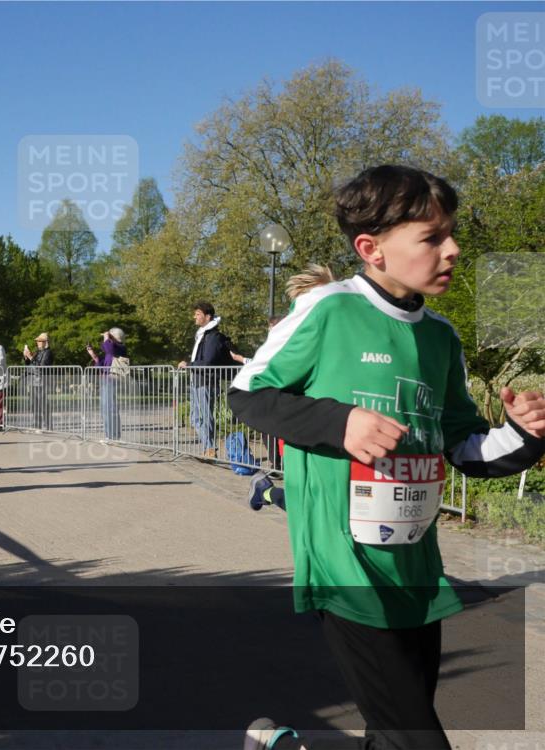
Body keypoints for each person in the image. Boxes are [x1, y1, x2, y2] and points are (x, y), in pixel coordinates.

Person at [228, 165, 545, 750]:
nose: (451, 251)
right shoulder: (329, 309)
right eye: (431, 238)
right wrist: (339, 421)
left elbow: (464, 446)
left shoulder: (441, 338)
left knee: (392, 731)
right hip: (346, 564)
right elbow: (247, 393)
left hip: (416, 567)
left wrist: (524, 433)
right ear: (371, 249)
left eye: (451, 235)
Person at [248, 265, 336, 508]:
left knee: (326, 504)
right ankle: (266, 492)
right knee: (310, 503)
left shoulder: (342, 332)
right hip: (301, 436)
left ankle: (264, 491)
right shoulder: (289, 339)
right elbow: (253, 390)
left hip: (337, 436)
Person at [177, 302, 237, 458]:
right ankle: (209, 448)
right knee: (195, 417)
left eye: (198, 314)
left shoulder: (213, 337)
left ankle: (210, 449)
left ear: (207, 316)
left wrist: (189, 365)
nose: (194, 317)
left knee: (205, 415)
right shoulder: (203, 335)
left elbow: (209, 362)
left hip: (206, 381)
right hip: (196, 380)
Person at [87, 328, 127, 440]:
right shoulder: (112, 351)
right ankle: (109, 435)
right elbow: (102, 364)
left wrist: (106, 336)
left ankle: (113, 436)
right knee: (105, 408)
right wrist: (93, 355)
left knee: (110, 408)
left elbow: (108, 348)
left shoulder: (120, 348)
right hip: (105, 380)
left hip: (112, 380)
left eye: (110, 337)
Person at [23, 332, 54, 431]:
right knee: (34, 404)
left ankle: (48, 426)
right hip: (33, 381)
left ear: (46, 342)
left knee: (43, 404)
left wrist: (31, 357)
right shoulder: (38, 351)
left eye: (40, 341)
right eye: (37, 341)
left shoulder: (48, 353)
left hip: (42, 381)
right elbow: (29, 364)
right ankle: (37, 425)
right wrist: (26, 357)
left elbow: (41, 367)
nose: (38, 343)